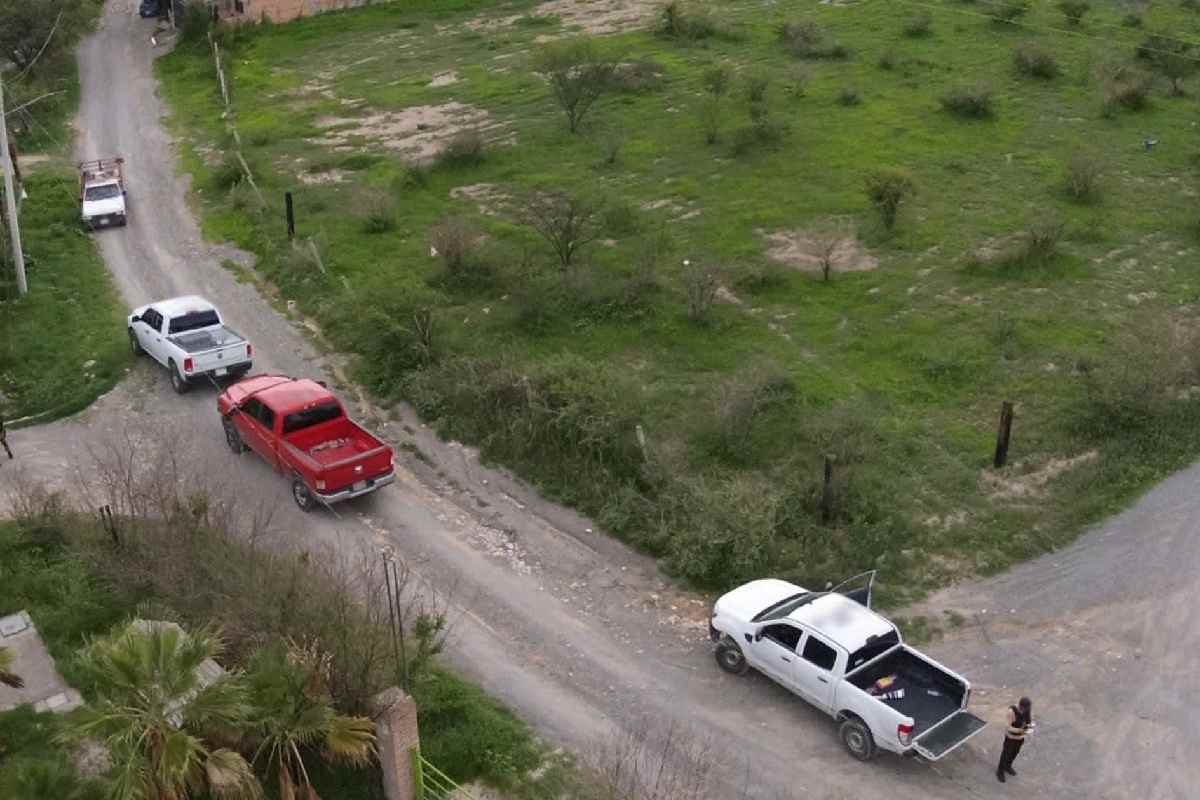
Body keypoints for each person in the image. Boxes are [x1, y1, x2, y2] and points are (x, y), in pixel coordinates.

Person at [997, 696, 1034, 782]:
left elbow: (1028, 721)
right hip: (1011, 737)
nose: (1026, 711)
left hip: (1020, 737)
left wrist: (1029, 727)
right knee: (1005, 754)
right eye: (1025, 709)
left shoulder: (1027, 710)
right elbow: (1007, 727)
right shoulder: (1011, 712)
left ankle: (1008, 766)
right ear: (1021, 706)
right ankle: (1000, 771)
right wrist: (1019, 730)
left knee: (1015, 753)